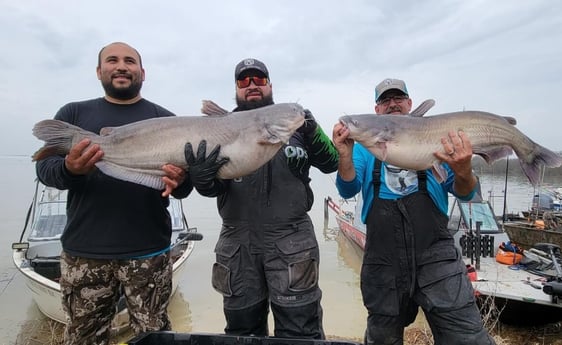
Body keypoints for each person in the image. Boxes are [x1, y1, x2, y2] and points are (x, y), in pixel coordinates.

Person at [35, 42, 216, 345]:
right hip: (85, 253)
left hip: (149, 253)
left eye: (130, 61)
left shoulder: (169, 121)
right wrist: (70, 168)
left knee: (155, 336)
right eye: (112, 60)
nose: (121, 66)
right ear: (99, 71)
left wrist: (181, 179)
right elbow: (46, 172)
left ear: (142, 72)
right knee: (83, 338)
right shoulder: (75, 114)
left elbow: (184, 187)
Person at [332, 78, 496, 344]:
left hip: (437, 257)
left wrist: (464, 168)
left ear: (410, 103)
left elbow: (466, 192)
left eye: (398, 98)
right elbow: (348, 190)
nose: (392, 104)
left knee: (467, 338)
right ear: (377, 110)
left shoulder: (438, 139)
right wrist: (344, 155)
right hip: (383, 262)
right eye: (385, 100)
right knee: (382, 339)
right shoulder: (363, 148)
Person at [188, 58, 339, 339]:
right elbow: (213, 190)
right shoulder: (219, 129)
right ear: (236, 89)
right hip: (237, 245)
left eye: (259, 80)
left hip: (293, 241)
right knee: (242, 331)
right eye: (244, 81)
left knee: (300, 331)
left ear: (270, 85)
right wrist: (202, 178)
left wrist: (311, 129)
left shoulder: (295, 125)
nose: (252, 85)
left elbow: (331, 162)